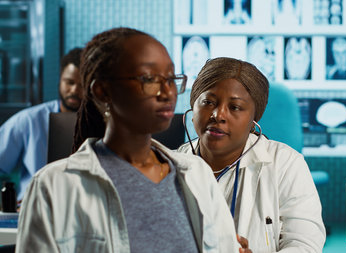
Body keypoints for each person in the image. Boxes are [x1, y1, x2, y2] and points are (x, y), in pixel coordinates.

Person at [16, 27, 239, 252]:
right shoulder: (54, 186)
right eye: (149, 78)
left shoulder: (196, 174)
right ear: (103, 91)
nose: (167, 92)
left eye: (170, 79)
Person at [178, 57, 326, 252]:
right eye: (208, 102)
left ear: (253, 118)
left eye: (235, 107)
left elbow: (304, 244)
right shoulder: (170, 165)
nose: (218, 115)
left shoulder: (286, 164)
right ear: (193, 107)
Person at [0, 47, 83, 200]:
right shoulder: (29, 120)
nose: (74, 90)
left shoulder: (105, 123)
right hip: (31, 208)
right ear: (60, 80)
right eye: (69, 82)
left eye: (81, 84)